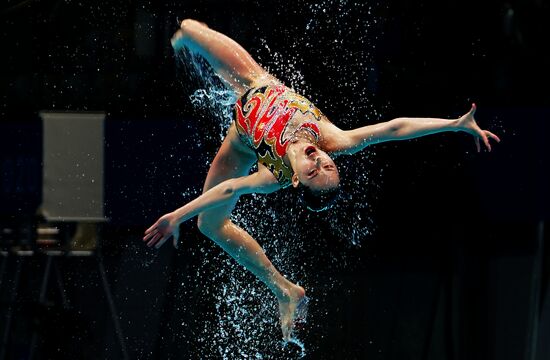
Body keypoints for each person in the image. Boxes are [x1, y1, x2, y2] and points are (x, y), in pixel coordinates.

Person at [143, 19, 500, 341]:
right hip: (257, 81)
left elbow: (230, 187)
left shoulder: (275, 175)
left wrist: (177, 216)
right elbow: (396, 128)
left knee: (208, 224)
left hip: (240, 141)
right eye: (327, 165)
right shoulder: (333, 138)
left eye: (313, 171)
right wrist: (454, 125)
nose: (318, 159)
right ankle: (286, 290)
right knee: (188, 29)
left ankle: (282, 287)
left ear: (297, 182)